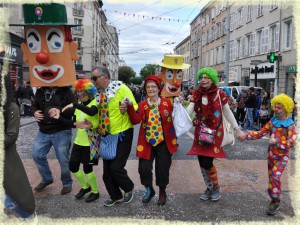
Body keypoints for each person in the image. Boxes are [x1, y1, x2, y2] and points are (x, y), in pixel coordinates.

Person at [185, 67, 244, 202]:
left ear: (212, 79)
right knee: (201, 161)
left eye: (207, 78)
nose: (204, 80)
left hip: (215, 133)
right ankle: (209, 187)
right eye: (202, 78)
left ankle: (216, 187)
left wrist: (237, 129)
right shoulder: (196, 94)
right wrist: (180, 119)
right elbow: (190, 109)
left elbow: (227, 112)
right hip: (200, 133)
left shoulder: (220, 94)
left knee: (207, 161)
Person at [124, 75, 178, 206]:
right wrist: (130, 107)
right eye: (148, 87)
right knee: (143, 169)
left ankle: (162, 191)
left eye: (153, 86)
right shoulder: (143, 105)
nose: (150, 89)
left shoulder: (168, 102)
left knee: (163, 169)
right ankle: (149, 189)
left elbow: (178, 116)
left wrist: (180, 104)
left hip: (164, 141)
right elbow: (135, 120)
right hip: (147, 141)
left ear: (159, 89)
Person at [239, 94, 296, 215]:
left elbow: (292, 142)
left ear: (286, 109)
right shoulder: (273, 122)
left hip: (282, 156)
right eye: (275, 107)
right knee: (272, 178)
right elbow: (260, 133)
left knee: (275, 176)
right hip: (271, 155)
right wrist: (245, 136)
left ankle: (275, 200)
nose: (276, 109)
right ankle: (273, 198)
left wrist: (278, 142)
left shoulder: (290, 124)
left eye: (279, 107)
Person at [90, 66, 138, 207]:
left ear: (105, 77)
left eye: (95, 78)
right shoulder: (99, 93)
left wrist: (127, 106)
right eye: (92, 79)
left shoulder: (121, 88)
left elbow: (135, 106)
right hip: (107, 135)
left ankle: (128, 188)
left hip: (123, 133)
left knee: (116, 167)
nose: (93, 81)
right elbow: (98, 114)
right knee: (106, 173)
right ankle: (115, 195)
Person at [49, 79, 100, 203]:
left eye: (82, 91)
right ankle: (85, 187)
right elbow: (74, 124)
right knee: (73, 166)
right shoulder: (78, 105)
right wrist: (59, 117)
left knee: (88, 169)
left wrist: (75, 105)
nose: (79, 94)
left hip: (91, 142)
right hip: (79, 142)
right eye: (78, 91)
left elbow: (92, 111)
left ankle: (95, 191)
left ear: (89, 91)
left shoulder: (95, 103)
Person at [2, 74, 36, 219]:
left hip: (6, 158)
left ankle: (27, 217)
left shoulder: (11, 108)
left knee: (14, 193)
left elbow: (11, 136)